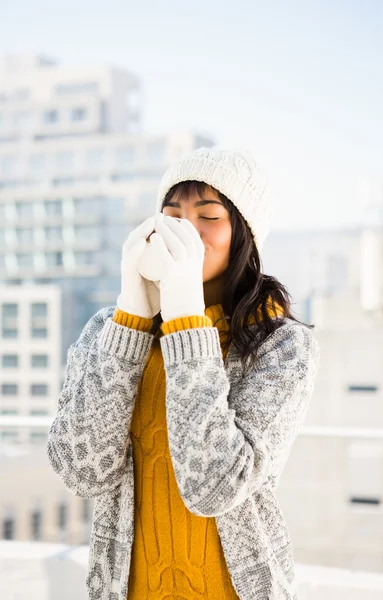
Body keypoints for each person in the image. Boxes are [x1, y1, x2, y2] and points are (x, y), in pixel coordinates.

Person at [47, 147, 320, 600]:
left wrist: (185, 316)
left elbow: (214, 486)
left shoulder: (282, 345)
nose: (184, 230)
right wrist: (132, 316)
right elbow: (82, 472)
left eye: (208, 215)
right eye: (171, 214)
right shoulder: (107, 331)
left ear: (243, 238)